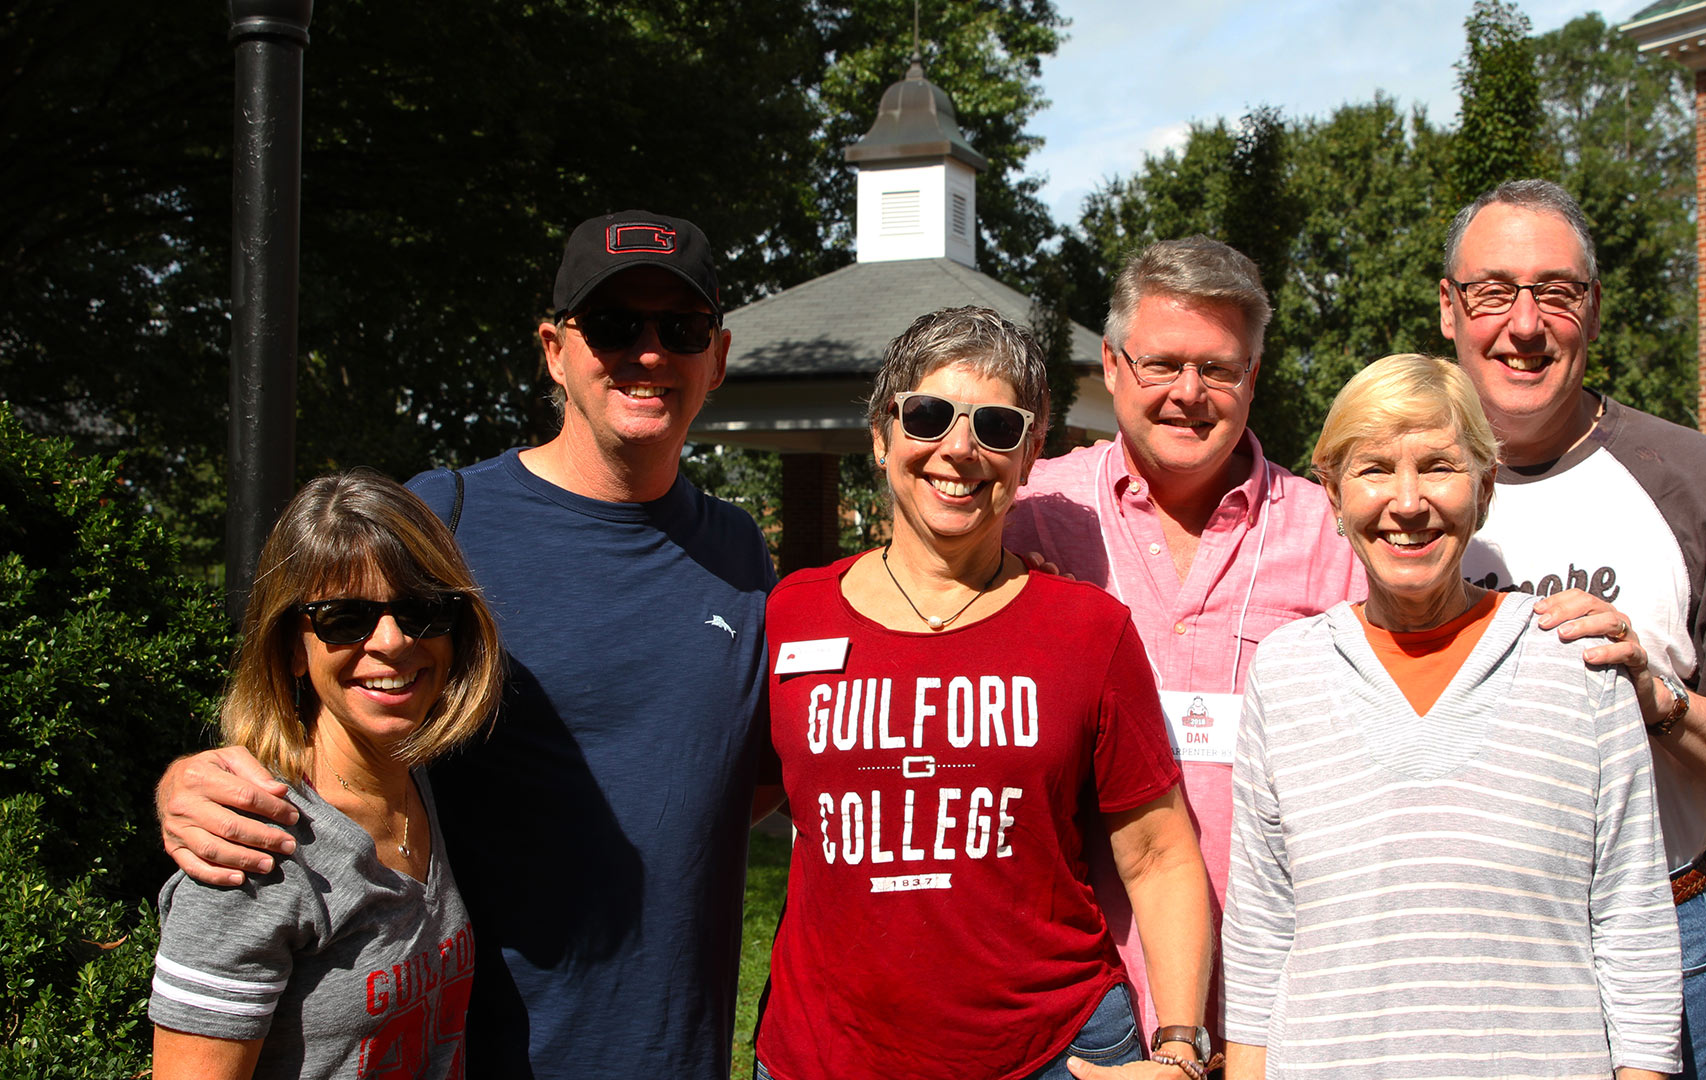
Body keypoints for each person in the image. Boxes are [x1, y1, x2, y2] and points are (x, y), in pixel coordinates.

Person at [155, 211, 777, 1078]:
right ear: (554, 349)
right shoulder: (442, 520)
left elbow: (752, 777)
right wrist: (194, 779)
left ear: (718, 355)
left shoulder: (741, 554)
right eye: (611, 325)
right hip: (471, 1056)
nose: (647, 353)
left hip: (677, 1055)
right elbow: (312, 695)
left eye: (681, 329)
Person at [756, 306, 1214, 1080]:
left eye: (997, 426)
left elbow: (1161, 855)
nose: (960, 449)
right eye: (929, 415)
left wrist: (1177, 1050)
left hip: (1050, 1056)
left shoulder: (1088, 629)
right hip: (823, 1056)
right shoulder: (789, 613)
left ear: (1031, 454)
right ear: (881, 434)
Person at [1444, 178, 1706, 1080]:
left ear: (1595, 311)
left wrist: (1661, 699)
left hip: (1655, 927)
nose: (1525, 324)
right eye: (1494, 291)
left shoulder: (1686, 476)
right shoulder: (1395, 489)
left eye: (1557, 293)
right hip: (1455, 950)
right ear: (1450, 311)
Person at [1221, 353, 1682, 1080]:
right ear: (1333, 495)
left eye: (1438, 465)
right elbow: (1261, 933)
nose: (1407, 502)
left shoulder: (1577, 664)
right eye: (1374, 469)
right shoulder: (1285, 675)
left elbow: (1632, 923)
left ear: (1484, 487)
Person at [1002, 237, 1368, 1048]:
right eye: (1162, 363)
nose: (1188, 394)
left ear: (1254, 377)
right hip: (1074, 1002)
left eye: (1219, 369)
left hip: (1279, 1001)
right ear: (1112, 364)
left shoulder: (1334, 537)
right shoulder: (1032, 514)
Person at [150, 470, 506, 1079]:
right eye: (345, 618)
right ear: (292, 646)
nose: (392, 642)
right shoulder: (252, 852)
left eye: (422, 610)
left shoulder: (418, 783)